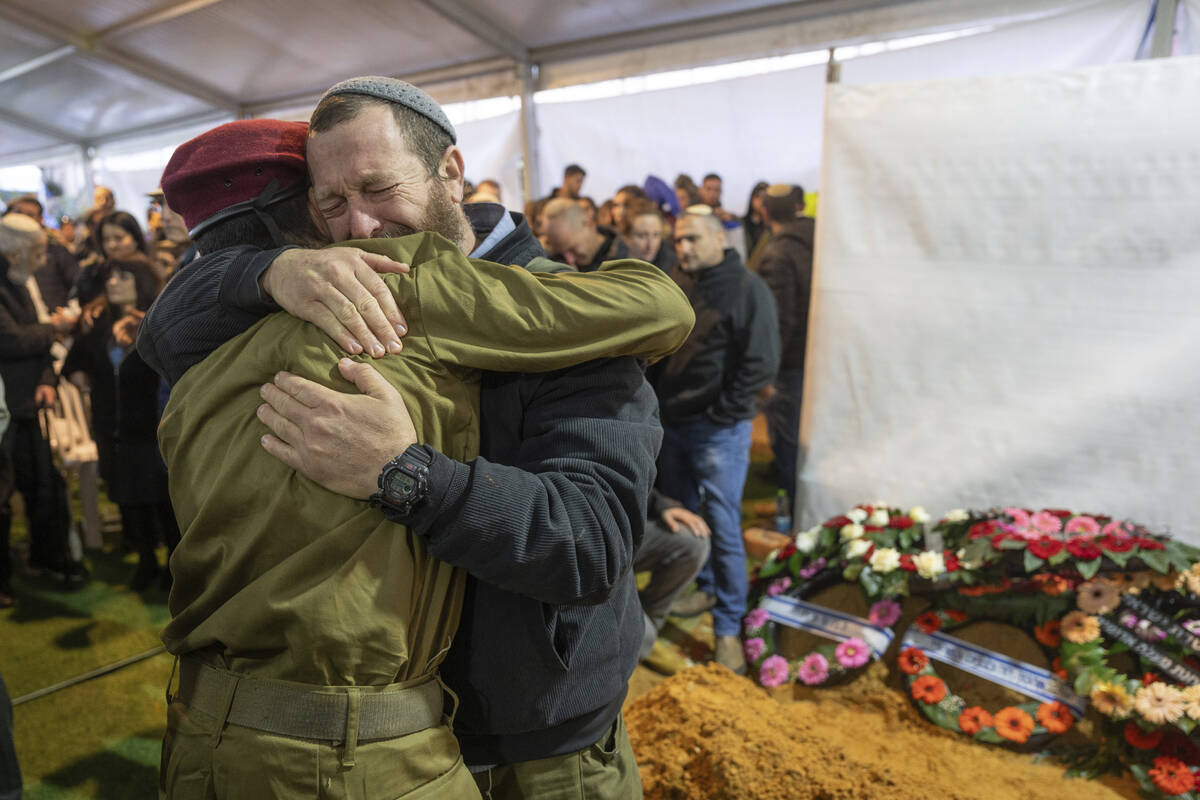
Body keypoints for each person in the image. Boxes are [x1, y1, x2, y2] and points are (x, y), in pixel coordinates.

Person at [139, 76, 684, 799]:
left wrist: (406, 474)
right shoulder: (314, 300)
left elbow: (589, 547)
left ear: (449, 172)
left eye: (377, 188)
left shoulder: (558, 313)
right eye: (330, 203)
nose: (358, 227)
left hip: (535, 753)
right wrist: (269, 270)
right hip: (384, 741)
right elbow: (162, 332)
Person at [651, 206, 780, 675]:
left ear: (720, 240)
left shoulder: (748, 288)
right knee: (685, 516)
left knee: (723, 525)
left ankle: (728, 624)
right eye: (679, 240)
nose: (683, 248)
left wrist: (722, 415)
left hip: (718, 429)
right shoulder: (678, 280)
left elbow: (761, 363)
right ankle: (703, 585)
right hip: (674, 424)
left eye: (692, 240)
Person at [63, 211, 173, 590]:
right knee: (128, 499)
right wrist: (85, 381)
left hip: (153, 429)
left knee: (164, 501)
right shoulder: (98, 323)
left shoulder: (158, 321)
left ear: (141, 281)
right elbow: (73, 363)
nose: (113, 282)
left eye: (123, 276)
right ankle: (145, 561)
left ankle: (176, 566)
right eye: (110, 276)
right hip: (113, 429)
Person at [0, 214, 83, 596]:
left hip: (30, 399)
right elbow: (11, 340)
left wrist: (48, 379)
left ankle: (46, 558)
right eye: (36, 251)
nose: (42, 259)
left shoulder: (22, 279)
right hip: (8, 408)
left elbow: (34, 340)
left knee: (43, 488)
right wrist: (56, 328)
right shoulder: (10, 282)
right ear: (15, 252)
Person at [755, 184, 816, 507]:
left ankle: (794, 511)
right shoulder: (821, 239)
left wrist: (767, 370)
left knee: (788, 439)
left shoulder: (779, 252)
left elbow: (779, 321)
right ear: (800, 206)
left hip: (789, 362)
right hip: (818, 352)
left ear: (764, 213)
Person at [635, 488, 710, 674]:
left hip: (618, 532)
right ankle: (641, 638)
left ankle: (648, 625)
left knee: (694, 540)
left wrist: (660, 505)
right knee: (641, 638)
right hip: (575, 548)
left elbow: (620, 475)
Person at [4, 195, 80, 312]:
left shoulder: (56, 250)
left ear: (40, 219)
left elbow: (77, 283)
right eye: (18, 213)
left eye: (30, 215)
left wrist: (70, 311)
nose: (23, 218)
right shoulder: (4, 253)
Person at [541, 197, 627, 272]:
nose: (570, 261)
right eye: (561, 253)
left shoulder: (625, 261)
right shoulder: (552, 261)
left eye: (572, 249)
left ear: (589, 224)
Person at [620, 199, 675, 274]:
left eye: (656, 235)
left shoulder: (673, 269)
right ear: (626, 237)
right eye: (642, 236)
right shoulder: (610, 269)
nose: (650, 245)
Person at [742, 181, 769, 258]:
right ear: (752, 198)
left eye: (765, 197)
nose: (762, 200)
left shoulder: (772, 227)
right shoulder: (742, 223)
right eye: (758, 196)